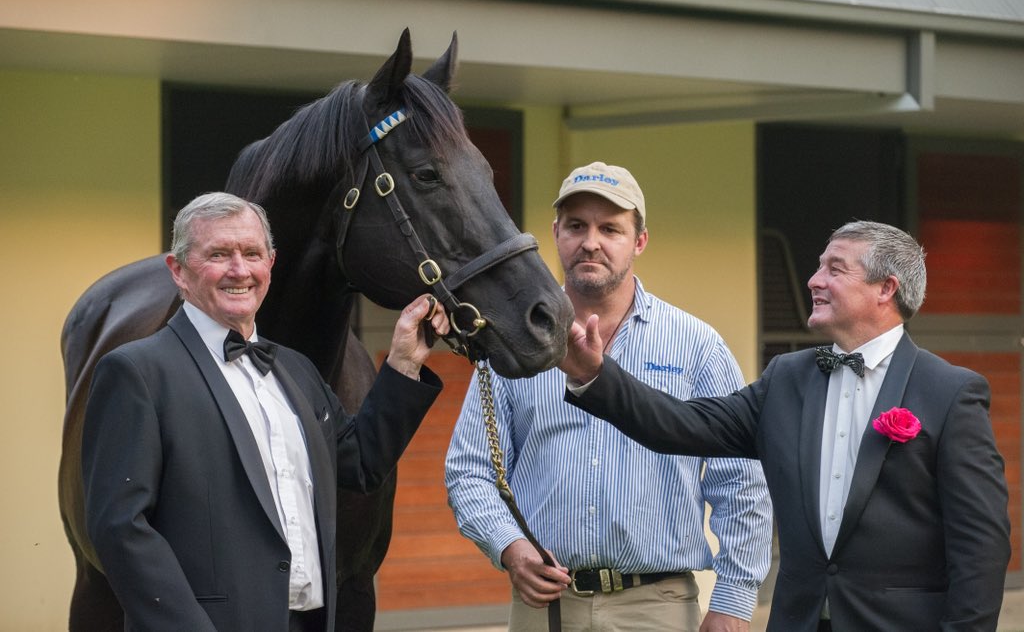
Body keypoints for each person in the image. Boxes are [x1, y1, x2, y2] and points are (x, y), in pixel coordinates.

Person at [560, 219, 1012, 631]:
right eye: (819, 268)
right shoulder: (786, 378)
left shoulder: (950, 392)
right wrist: (594, 375)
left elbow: (980, 547)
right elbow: (680, 424)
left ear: (885, 289)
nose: (814, 280)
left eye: (835, 269)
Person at [81, 192, 450, 632]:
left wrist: (404, 363)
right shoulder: (135, 371)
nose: (240, 270)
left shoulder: (296, 370)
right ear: (178, 271)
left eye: (252, 254)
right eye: (218, 254)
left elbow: (358, 464)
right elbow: (121, 528)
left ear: (270, 265)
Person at [445, 162, 773, 632]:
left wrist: (734, 600)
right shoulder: (516, 344)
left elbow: (741, 482)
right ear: (556, 234)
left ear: (639, 241)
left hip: (656, 603)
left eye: (610, 228)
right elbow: (469, 469)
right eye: (576, 226)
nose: (591, 242)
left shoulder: (696, 346)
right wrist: (509, 547)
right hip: (546, 607)